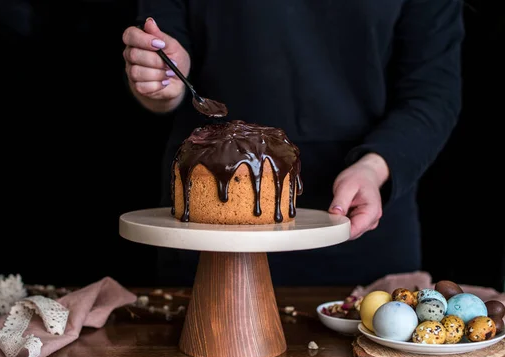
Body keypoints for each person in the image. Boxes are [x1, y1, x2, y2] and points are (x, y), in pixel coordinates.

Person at [121, 1, 464, 286]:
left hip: (360, 228)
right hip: (206, 236)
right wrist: (161, 77)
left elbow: (431, 93)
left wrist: (374, 167)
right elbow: (163, 64)